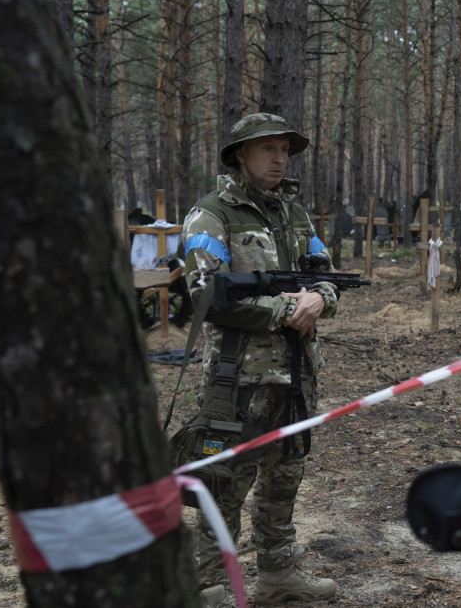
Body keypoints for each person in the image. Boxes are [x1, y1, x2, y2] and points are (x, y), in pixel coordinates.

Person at [182, 113, 338, 606]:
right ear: (240, 157)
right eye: (267, 149)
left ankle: (278, 574)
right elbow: (205, 294)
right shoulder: (211, 215)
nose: (279, 158)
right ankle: (208, 585)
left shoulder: (295, 214)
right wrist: (286, 309)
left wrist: (320, 299)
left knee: (284, 477)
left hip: (296, 372)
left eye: (284, 150)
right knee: (224, 482)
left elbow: (326, 275)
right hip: (238, 378)